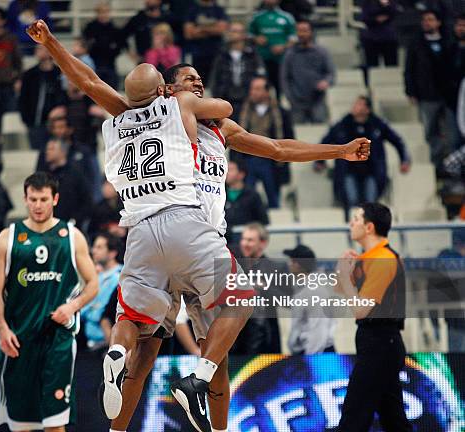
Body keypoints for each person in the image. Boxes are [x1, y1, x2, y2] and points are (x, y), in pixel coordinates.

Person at [26, 21, 371, 432]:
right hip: (188, 234)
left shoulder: (221, 130)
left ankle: (209, 418)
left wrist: (339, 151)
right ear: (169, 90)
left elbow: (279, 149)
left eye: (201, 79)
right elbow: (92, 81)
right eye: (190, 79)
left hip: (178, 236)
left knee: (212, 360)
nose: (199, 84)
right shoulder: (164, 112)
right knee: (150, 354)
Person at [0, 172, 98, 431]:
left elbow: (93, 284)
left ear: (55, 199)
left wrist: (72, 307)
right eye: (33, 199)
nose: (38, 205)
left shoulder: (71, 236)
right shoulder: (9, 236)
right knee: (21, 424)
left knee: (55, 422)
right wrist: (2, 329)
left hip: (57, 340)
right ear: (25, 199)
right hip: (19, 338)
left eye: (44, 199)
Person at [335, 202, 412, 432]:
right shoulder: (369, 258)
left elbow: (360, 309)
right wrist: (346, 272)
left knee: (354, 415)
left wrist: (345, 275)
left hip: (381, 343)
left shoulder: (383, 259)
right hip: (376, 344)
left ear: (369, 227)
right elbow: (342, 293)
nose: (351, 223)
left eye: (356, 219)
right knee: (393, 419)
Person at [318, 96, 411, 215]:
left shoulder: (377, 125)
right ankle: (353, 228)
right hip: (348, 171)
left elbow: (397, 141)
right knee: (352, 201)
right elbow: (326, 142)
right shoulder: (343, 124)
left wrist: (404, 159)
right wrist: (319, 161)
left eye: (359, 104)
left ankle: (369, 229)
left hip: (371, 171)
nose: (355, 106)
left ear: (367, 109)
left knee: (370, 203)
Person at [405, 9, 460, 172]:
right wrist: (411, 91)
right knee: (431, 132)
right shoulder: (416, 44)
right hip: (427, 95)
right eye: (424, 20)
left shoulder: (450, 42)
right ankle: (435, 167)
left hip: (449, 96)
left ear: (438, 22)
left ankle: (452, 167)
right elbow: (409, 70)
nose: (427, 23)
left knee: (452, 135)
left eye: (430, 19)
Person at [238, 75, 295, 208]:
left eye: (257, 89)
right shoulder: (242, 111)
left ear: (267, 91)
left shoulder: (281, 113)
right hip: (248, 159)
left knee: (273, 197)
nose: (253, 92)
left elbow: (289, 137)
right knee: (246, 197)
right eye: (252, 89)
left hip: (271, 160)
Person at [230, 223, 284, 355]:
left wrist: (263, 287)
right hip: (235, 336)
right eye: (243, 239)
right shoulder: (233, 266)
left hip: (264, 336)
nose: (244, 243)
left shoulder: (274, 268)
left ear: (263, 243)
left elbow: (286, 301)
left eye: (250, 240)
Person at [285, 244, 337, 355]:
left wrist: (311, 361)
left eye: (291, 261)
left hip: (317, 354)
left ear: (298, 264)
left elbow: (318, 330)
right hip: (310, 352)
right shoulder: (304, 289)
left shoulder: (314, 291)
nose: (289, 264)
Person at [281, 20, 335, 124]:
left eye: (305, 31)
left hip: (318, 101)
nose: (302, 34)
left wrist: (326, 82)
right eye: (299, 31)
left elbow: (331, 73)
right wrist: (290, 98)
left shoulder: (321, 52)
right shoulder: (290, 54)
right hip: (297, 103)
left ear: (311, 32)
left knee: (320, 133)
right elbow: (285, 78)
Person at [211, 21, 265, 121]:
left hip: (248, 98)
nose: (233, 34)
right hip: (226, 97)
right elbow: (215, 77)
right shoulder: (222, 54)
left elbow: (261, 75)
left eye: (237, 31)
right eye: (232, 31)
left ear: (244, 35)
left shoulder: (252, 54)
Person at [18, 44, 67, 150]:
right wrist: (26, 120)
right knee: (37, 154)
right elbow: (23, 99)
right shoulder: (29, 74)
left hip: (56, 123)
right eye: (37, 48)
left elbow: (65, 95)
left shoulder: (59, 73)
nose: (38, 50)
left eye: (41, 48)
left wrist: (60, 109)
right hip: (35, 123)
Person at [81, 233, 123, 350]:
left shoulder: (119, 278)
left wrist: (91, 309)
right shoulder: (95, 276)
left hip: (107, 343)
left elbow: (100, 313)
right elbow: (82, 310)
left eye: (99, 247)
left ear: (112, 253)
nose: (93, 251)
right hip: (88, 343)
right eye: (94, 246)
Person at [249, 0, 296, 97]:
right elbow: (249, 34)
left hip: (281, 60)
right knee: (263, 87)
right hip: (262, 59)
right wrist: (256, 38)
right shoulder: (257, 17)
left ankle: (278, 107)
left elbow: (293, 38)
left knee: (280, 88)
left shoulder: (287, 17)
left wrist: (283, 47)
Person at [224, 160, 269, 246]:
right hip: (223, 242)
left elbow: (263, 220)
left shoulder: (253, 195)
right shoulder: (219, 193)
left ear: (241, 174)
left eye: (230, 169)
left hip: (245, 243)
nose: (226, 172)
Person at [183, 0, 229, 80]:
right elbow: (189, 34)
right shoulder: (192, 10)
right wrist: (212, 29)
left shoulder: (219, 10)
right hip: (197, 54)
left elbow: (221, 30)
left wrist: (200, 29)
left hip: (216, 52)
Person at [83, 2, 122, 90]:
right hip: (94, 65)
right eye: (101, 12)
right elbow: (86, 45)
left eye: (106, 12)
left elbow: (118, 48)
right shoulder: (90, 28)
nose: (103, 15)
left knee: (112, 90)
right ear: (97, 13)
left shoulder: (115, 29)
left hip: (110, 65)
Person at [360, 0, 399, 67]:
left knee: (391, 66)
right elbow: (365, 17)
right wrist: (376, 19)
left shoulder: (391, 2)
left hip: (389, 38)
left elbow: (394, 12)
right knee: (372, 66)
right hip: (372, 38)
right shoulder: (367, 2)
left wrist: (385, 5)